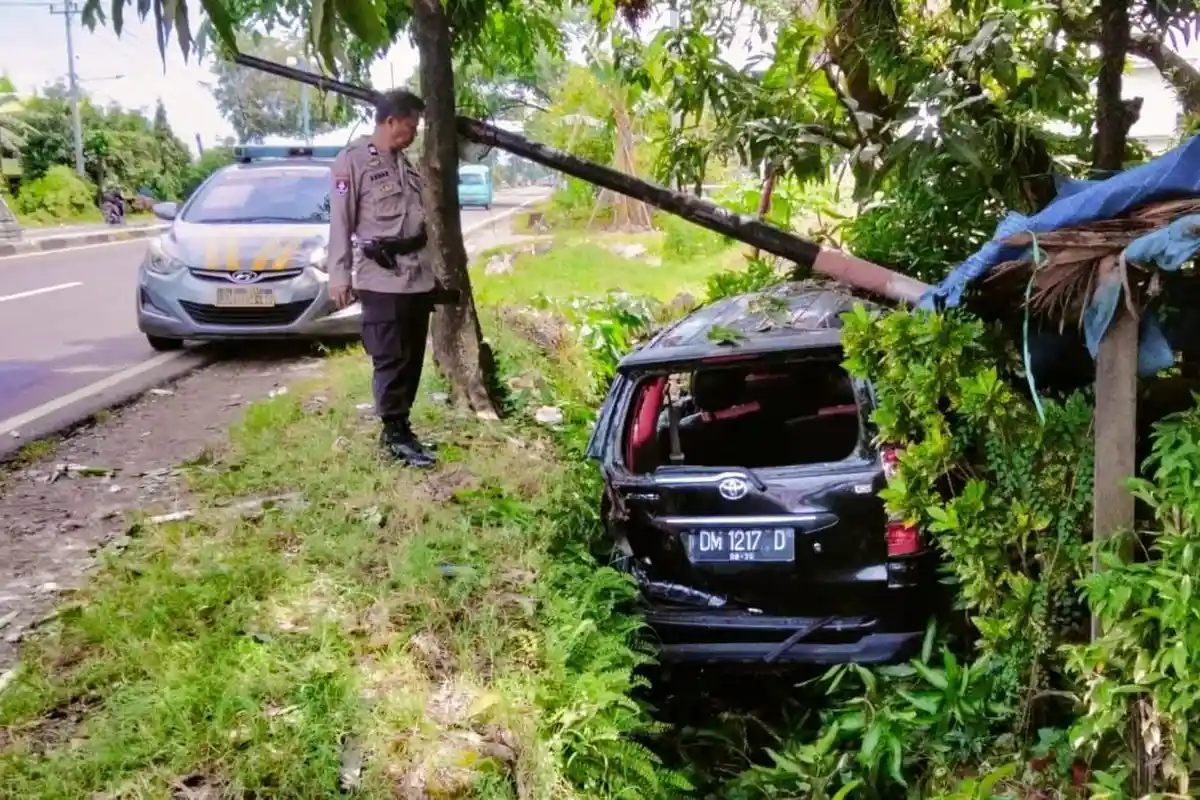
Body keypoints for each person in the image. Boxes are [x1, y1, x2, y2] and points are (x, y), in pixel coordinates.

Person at [328, 89, 438, 469]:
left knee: (412, 359)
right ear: (391, 121)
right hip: (381, 279)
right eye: (410, 126)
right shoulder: (353, 162)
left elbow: (420, 225)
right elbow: (340, 223)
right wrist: (339, 276)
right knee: (390, 359)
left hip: (416, 279)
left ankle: (403, 427)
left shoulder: (405, 165)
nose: (413, 133)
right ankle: (393, 433)